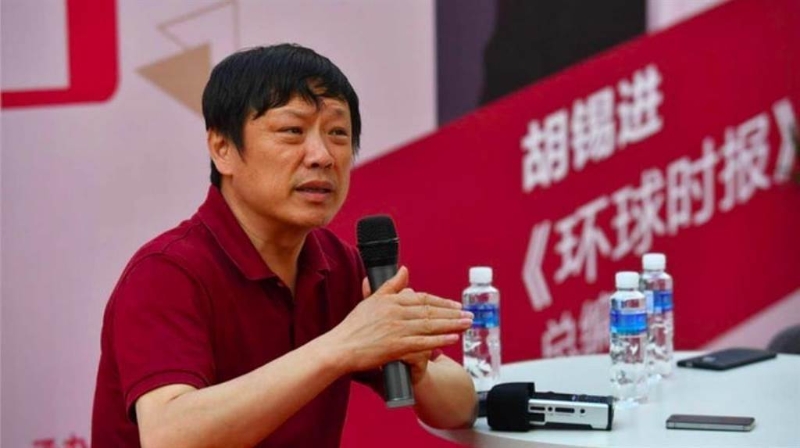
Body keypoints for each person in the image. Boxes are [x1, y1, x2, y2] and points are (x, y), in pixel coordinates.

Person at [91, 43, 477, 447]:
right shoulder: (166, 272)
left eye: (338, 133)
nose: (322, 156)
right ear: (222, 149)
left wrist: (417, 367)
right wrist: (342, 346)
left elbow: (461, 407)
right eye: (293, 131)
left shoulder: (337, 263)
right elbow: (169, 437)